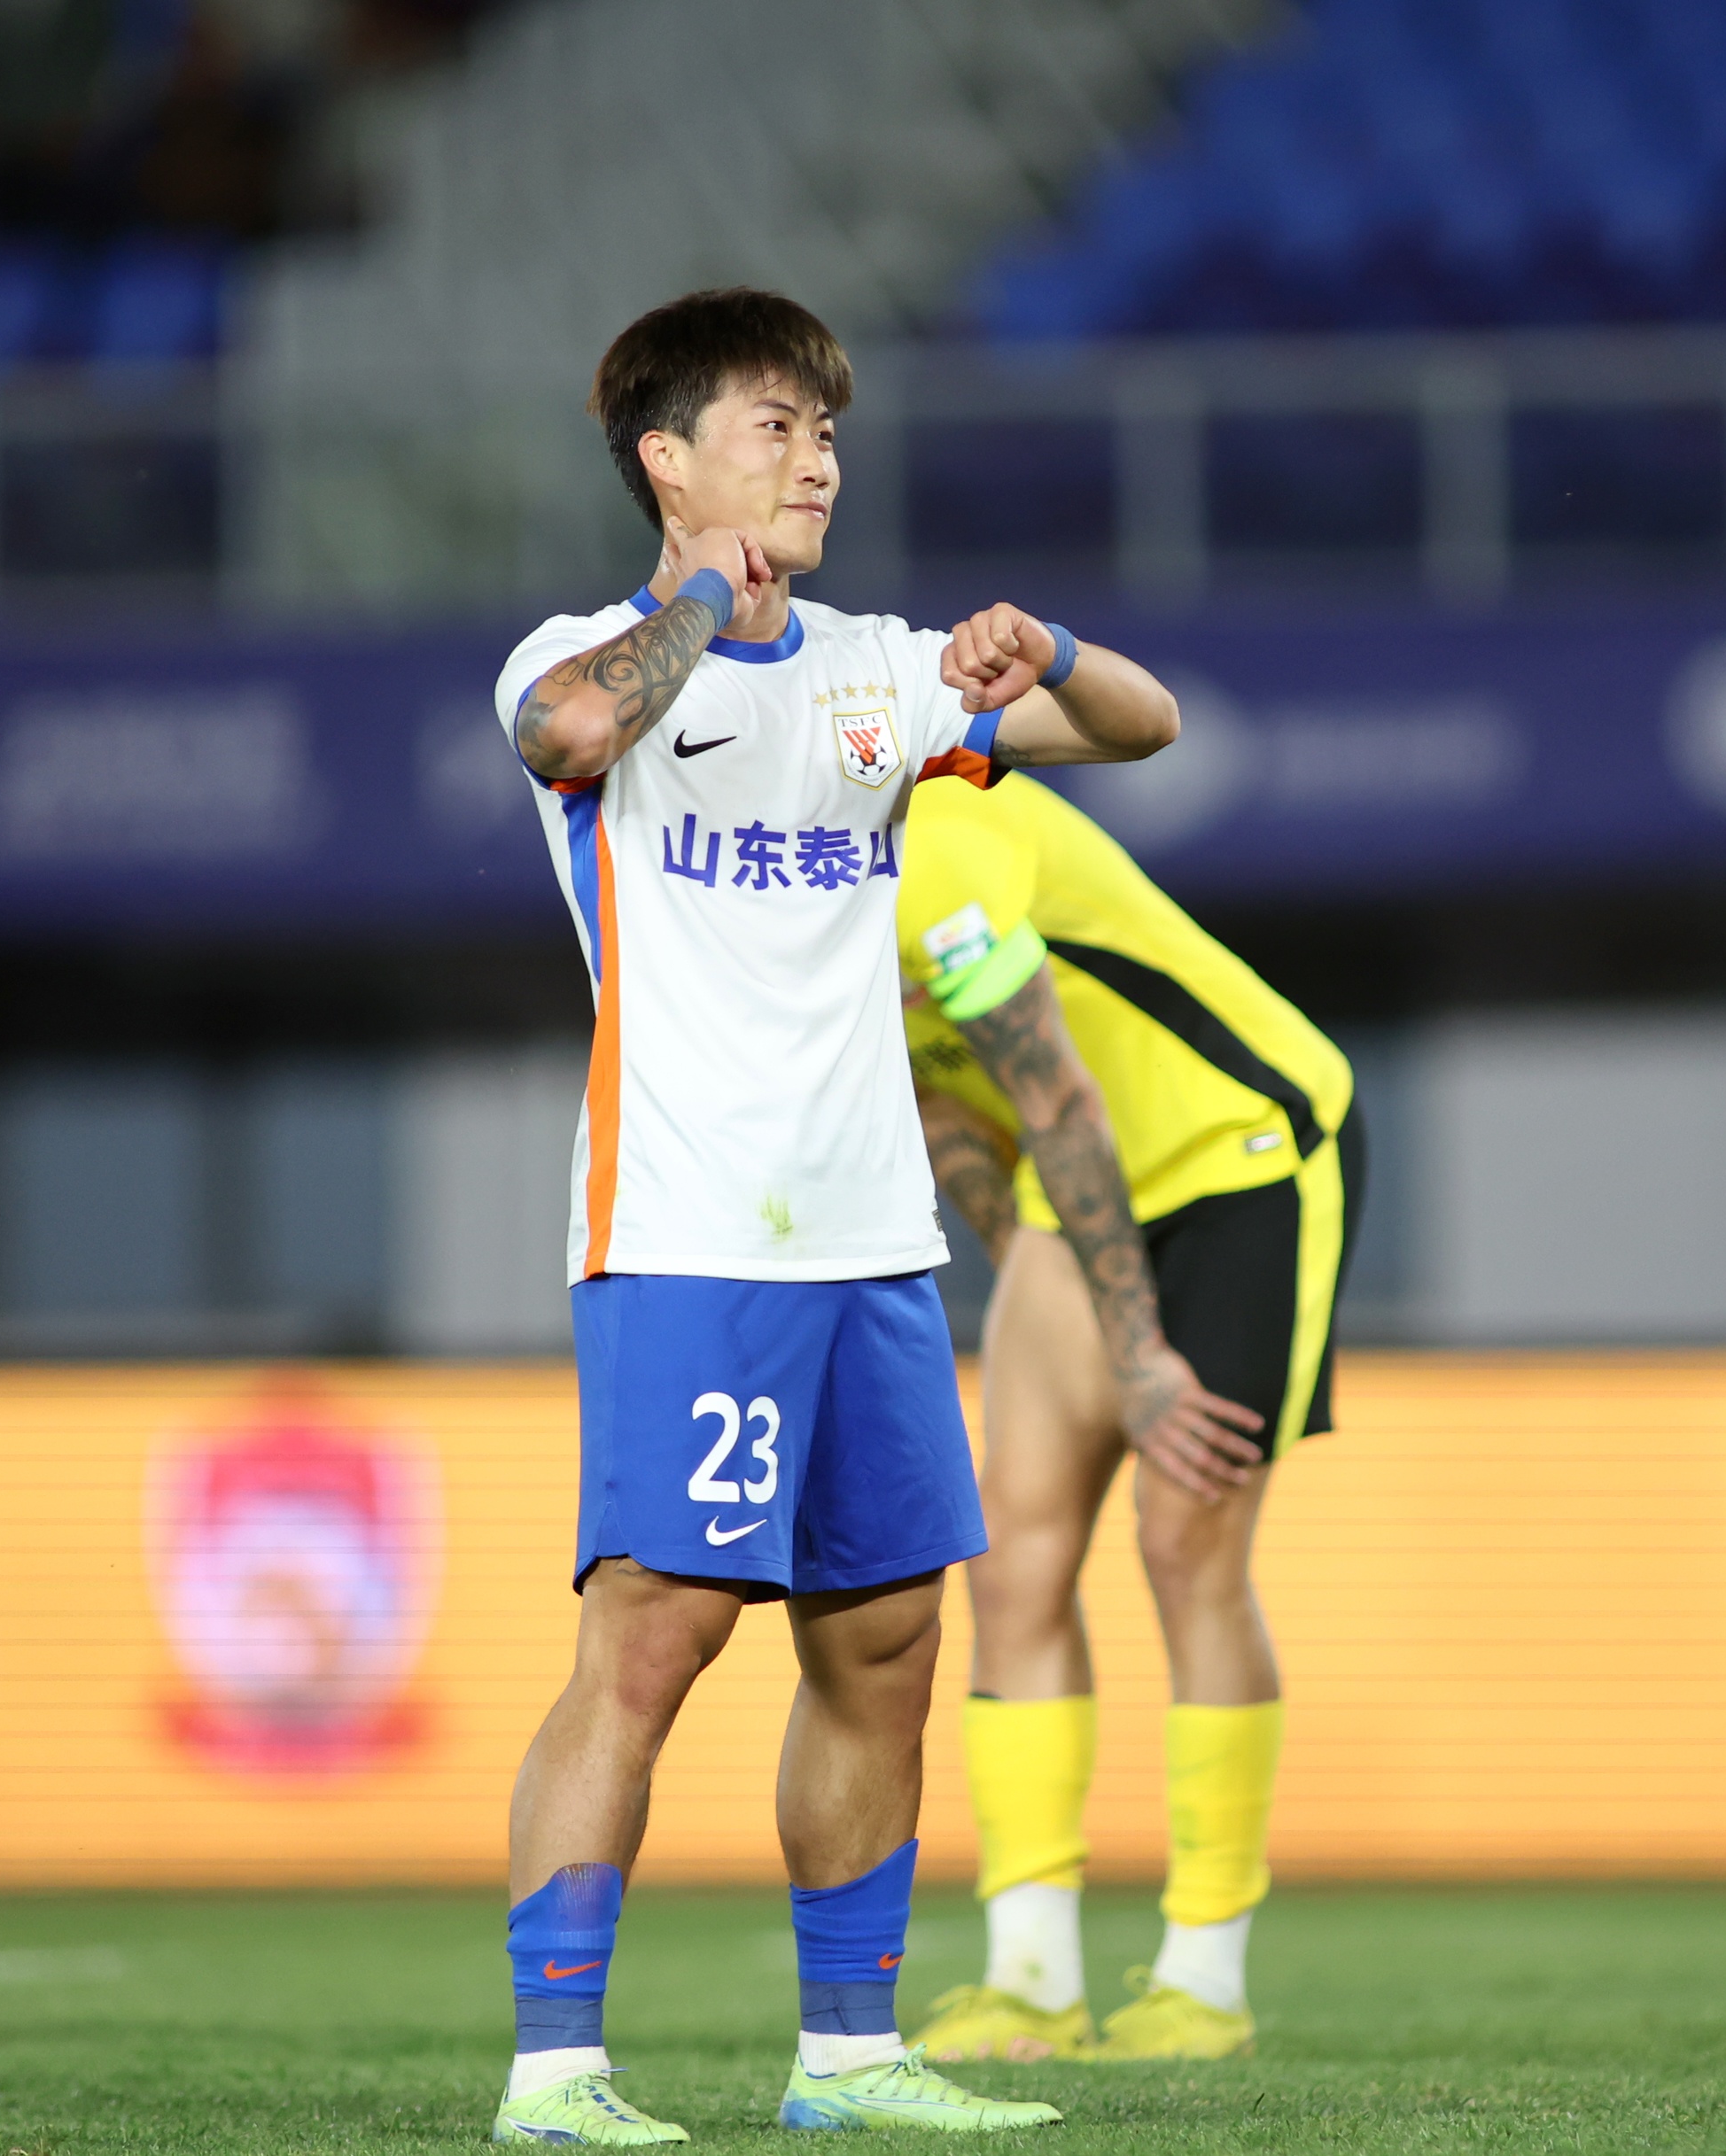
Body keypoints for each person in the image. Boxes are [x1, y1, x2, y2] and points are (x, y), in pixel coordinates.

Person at [490, 286, 1187, 2142]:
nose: (818, 463)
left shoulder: (883, 668)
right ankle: (553, 2072)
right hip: (685, 1234)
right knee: (652, 1641)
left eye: (825, 434)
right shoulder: (580, 655)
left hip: (876, 1245)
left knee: (884, 1645)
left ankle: (850, 2055)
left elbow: (1142, 725)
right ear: (667, 458)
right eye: (775, 428)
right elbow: (569, 732)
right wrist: (702, 604)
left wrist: (1050, 645)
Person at [887, 776, 1359, 2067]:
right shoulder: (777, 894)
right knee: (1011, 1560)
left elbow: (1056, 1098)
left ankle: (1204, 1980)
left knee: (1184, 1545)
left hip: (1247, 1150)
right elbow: (940, 1106)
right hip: (1074, 1185)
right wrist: (1044, 1274)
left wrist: (1137, 1352)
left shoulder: (937, 846)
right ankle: (1031, 1982)